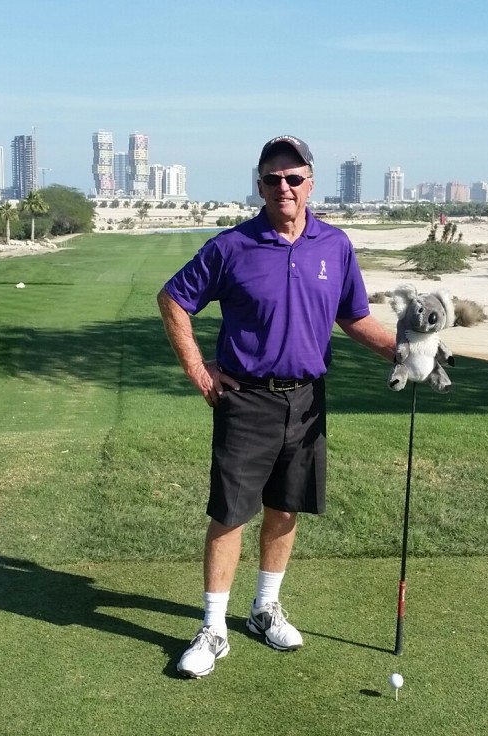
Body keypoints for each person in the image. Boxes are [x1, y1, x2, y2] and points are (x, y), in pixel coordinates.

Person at [157, 135, 396, 678]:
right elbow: (173, 299)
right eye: (272, 179)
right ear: (259, 184)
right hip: (245, 400)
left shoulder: (334, 246)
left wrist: (405, 353)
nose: (283, 187)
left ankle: (264, 609)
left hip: (307, 401)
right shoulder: (231, 247)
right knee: (229, 514)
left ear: (311, 183)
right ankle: (214, 628)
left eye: (293, 177)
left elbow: (354, 318)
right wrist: (198, 369)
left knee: (286, 507)